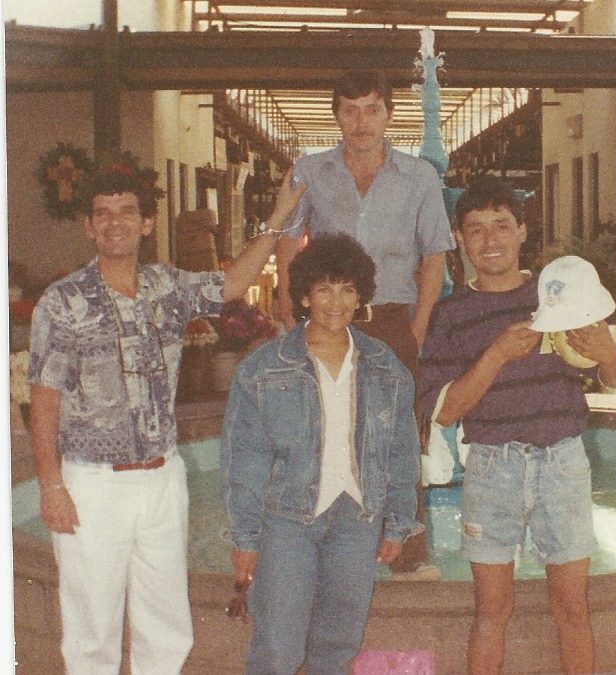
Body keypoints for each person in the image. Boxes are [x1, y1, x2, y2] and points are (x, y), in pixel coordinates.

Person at [27, 165, 304, 673]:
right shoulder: (62, 301)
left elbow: (235, 282)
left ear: (146, 223)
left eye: (127, 212)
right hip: (91, 484)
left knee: (166, 625)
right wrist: (50, 484)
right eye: (103, 214)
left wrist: (280, 215)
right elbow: (43, 398)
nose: (115, 223)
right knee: (91, 633)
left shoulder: (167, 288)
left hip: (161, 478)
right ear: (89, 226)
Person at [418, 177, 616, 674]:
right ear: (460, 240)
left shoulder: (558, 295)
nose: (490, 241)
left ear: (523, 232)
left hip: (562, 462)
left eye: (501, 226)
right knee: (491, 611)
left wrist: (607, 353)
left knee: (572, 608)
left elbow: (615, 377)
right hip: (492, 466)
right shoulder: (451, 314)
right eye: (476, 230)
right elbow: (443, 412)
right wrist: (495, 355)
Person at [273, 69, 454, 577]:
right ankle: (330, 555)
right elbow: (288, 242)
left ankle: (410, 559)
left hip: (394, 323)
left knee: (398, 439)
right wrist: (291, 311)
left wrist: (416, 330)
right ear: (336, 114)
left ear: (389, 115)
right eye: (350, 109)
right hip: (328, 323)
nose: (361, 121)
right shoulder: (309, 170)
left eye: (372, 109)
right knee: (323, 434)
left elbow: (435, 257)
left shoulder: (419, 177)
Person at [222, 234, 422, 673]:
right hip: (286, 523)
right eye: (325, 288)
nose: (336, 301)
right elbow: (245, 459)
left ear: (361, 296)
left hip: (357, 522)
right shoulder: (264, 368)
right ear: (306, 294)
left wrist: (398, 520)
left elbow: (403, 450)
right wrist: (246, 537)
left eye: (348, 289)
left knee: (338, 645)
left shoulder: (386, 366)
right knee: (278, 650)